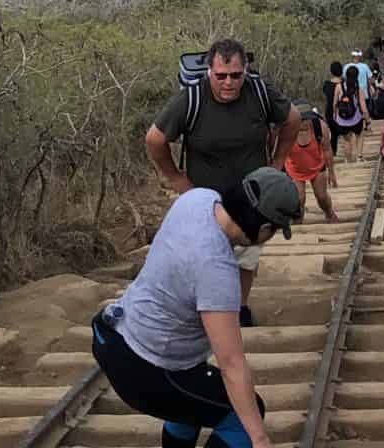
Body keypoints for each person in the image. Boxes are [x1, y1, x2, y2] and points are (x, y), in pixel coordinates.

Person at [93, 166, 304, 448]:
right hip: (146, 370)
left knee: (194, 396)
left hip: (113, 335)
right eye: (276, 230)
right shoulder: (217, 269)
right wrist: (259, 437)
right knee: (243, 416)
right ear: (264, 228)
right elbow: (231, 363)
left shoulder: (198, 199)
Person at [147, 38, 299, 328]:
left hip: (252, 197)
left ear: (245, 71)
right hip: (205, 198)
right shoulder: (191, 99)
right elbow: (155, 139)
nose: (228, 83)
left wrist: (277, 164)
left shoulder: (259, 92)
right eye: (221, 76)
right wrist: (177, 180)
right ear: (209, 72)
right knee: (205, 256)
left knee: (246, 256)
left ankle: (239, 308)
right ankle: (202, 311)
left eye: (235, 76)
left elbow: (291, 119)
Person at [283, 102, 338, 223]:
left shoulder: (320, 127)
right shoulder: (286, 131)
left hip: (317, 166)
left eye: (308, 119)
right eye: (302, 120)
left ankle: (329, 213)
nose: (306, 122)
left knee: (321, 196)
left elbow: (327, 149)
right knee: (299, 199)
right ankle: (298, 222)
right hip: (294, 169)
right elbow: (278, 153)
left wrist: (332, 173)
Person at [329, 56, 369, 162]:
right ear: (357, 76)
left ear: (346, 75)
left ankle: (348, 160)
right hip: (356, 119)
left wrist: (335, 115)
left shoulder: (339, 87)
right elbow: (363, 108)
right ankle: (359, 156)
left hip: (342, 119)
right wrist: (367, 120)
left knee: (346, 139)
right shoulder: (358, 89)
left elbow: (334, 103)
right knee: (359, 135)